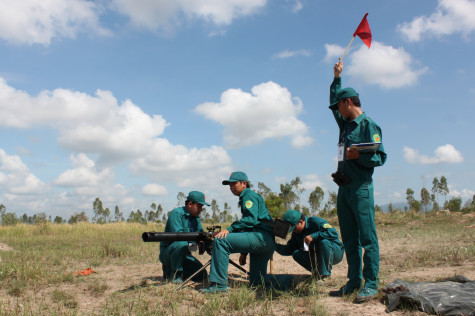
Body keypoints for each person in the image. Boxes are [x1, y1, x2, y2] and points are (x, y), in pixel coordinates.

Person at [328, 58, 387, 303]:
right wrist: (337, 78)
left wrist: (359, 154)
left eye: (339, 106)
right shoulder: (345, 124)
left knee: (367, 238)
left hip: (361, 188)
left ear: (348, 102)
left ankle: (370, 283)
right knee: (349, 238)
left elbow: (381, 156)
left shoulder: (368, 124)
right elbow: (332, 105)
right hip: (344, 189)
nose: (336, 111)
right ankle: (353, 281)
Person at [202, 171, 277, 293]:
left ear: (244, 183)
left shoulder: (248, 195)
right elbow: (250, 227)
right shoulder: (249, 196)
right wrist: (244, 253)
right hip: (267, 242)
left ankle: (219, 286)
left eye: (234, 183)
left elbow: (250, 220)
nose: (231, 187)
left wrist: (229, 229)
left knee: (221, 241)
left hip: (260, 237)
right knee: (257, 282)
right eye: (229, 184)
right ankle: (289, 280)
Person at [276, 209, 344, 280]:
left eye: (294, 227)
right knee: (296, 254)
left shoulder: (315, 222)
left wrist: (313, 236)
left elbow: (333, 233)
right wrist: (274, 246)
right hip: (318, 256)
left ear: (301, 222)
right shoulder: (296, 233)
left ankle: (325, 276)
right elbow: (289, 250)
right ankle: (317, 275)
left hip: (335, 252)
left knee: (324, 242)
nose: (293, 230)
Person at [159, 191, 210, 284]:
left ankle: (176, 271)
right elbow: (179, 237)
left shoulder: (196, 218)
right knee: (182, 243)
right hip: (169, 253)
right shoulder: (177, 214)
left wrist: (205, 243)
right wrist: (195, 243)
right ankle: (175, 275)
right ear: (190, 204)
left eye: (202, 207)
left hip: (185, 254)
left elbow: (200, 234)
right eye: (199, 206)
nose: (201, 209)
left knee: (202, 275)